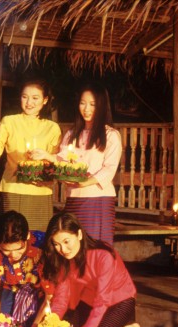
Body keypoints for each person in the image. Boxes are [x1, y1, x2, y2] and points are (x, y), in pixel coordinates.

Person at [38, 211, 139, 327]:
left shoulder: (103, 255)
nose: (63, 250)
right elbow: (61, 299)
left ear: (79, 235)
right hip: (90, 302)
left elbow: (102, 300)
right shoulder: (62, 260)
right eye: (56, 244)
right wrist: (50, 325)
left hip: (119, 302)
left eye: (67, 242)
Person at [0, 79, 62, 232]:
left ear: (45, 100)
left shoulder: (52, 128)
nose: (29, 102)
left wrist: (45, 157)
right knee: (11, 236)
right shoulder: (9, 121)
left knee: (39, 239)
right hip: (14, 188)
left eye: (35, 98)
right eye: (25, 97)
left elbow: (56, 161)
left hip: (40, 190)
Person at [55, 82, 122, 245]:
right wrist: (65, 178)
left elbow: (109, 169)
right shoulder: (71, 134)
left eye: (93, 104)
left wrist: (85, 181)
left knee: (97, 247)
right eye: (83, 103)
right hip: (73, 198)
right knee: (72, 245)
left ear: (102, 106)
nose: (86, 109)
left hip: (98, 199)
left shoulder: (111, 135)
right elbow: (63, 162)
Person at [0, 210, 45, 327]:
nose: (13, 255)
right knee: (5, 326)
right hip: (10, 288)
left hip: (41, 291)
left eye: (19, 249)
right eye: (6, 251)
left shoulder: (42, 244)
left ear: (27, 236)